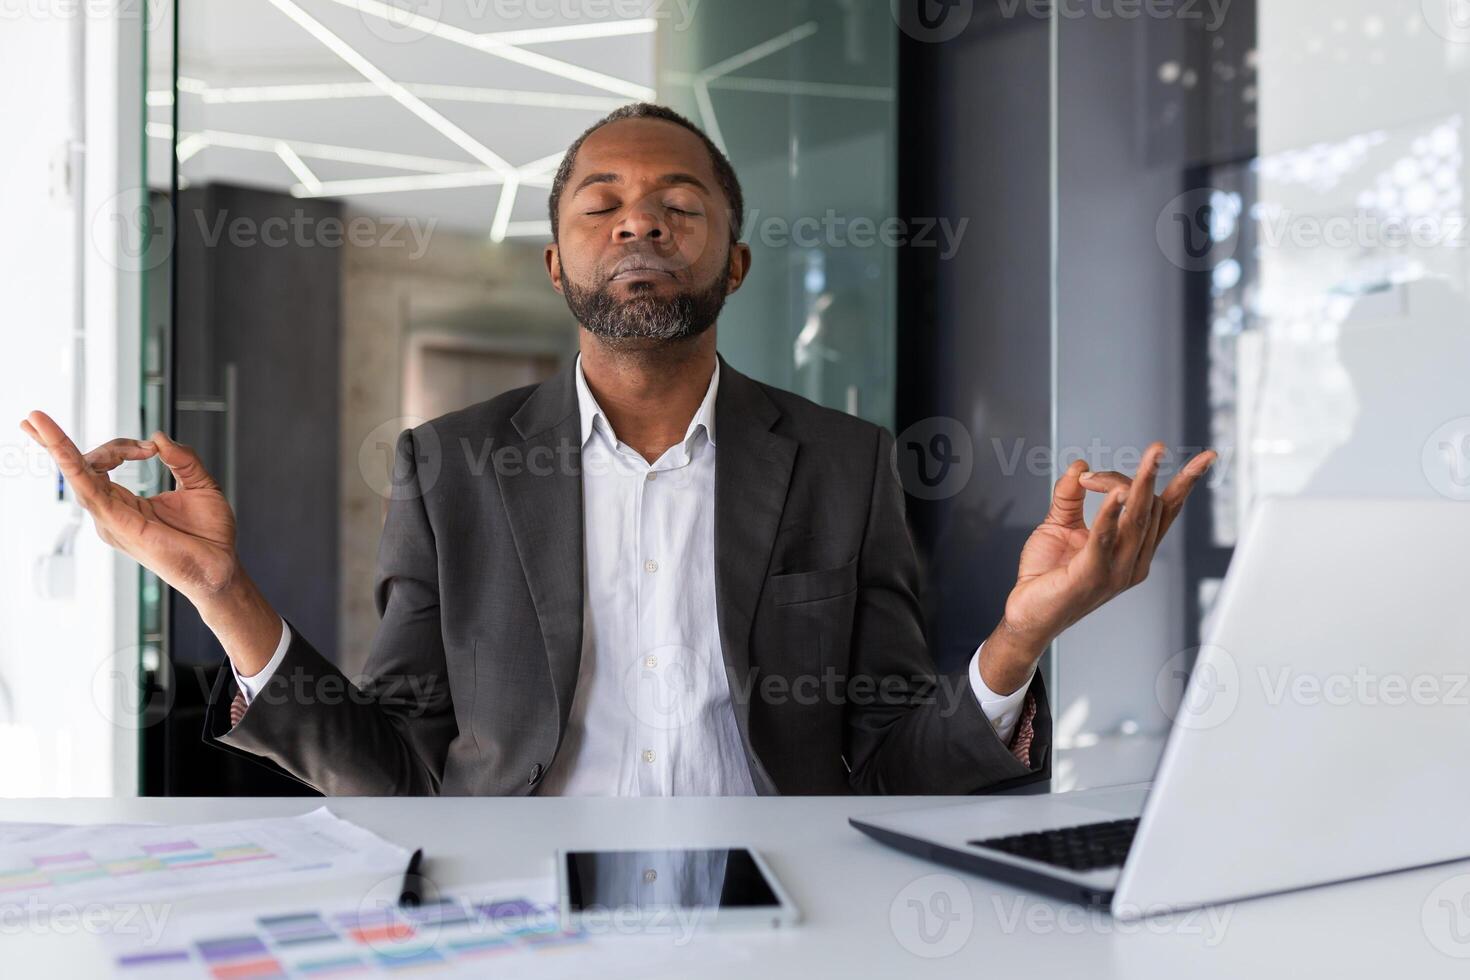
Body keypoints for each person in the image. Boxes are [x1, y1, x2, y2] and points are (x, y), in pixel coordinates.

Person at [21, 104, 1214, 797]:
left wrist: (1020, 636)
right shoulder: (451, 467)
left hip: (782, 916)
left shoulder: (844, 465)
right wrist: (220, 590)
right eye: (601, 203)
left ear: (734, 262)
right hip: (516, 919)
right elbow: (395, 763)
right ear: (556, 263)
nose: (640, 219)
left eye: (680, 203)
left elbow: (900, 759)